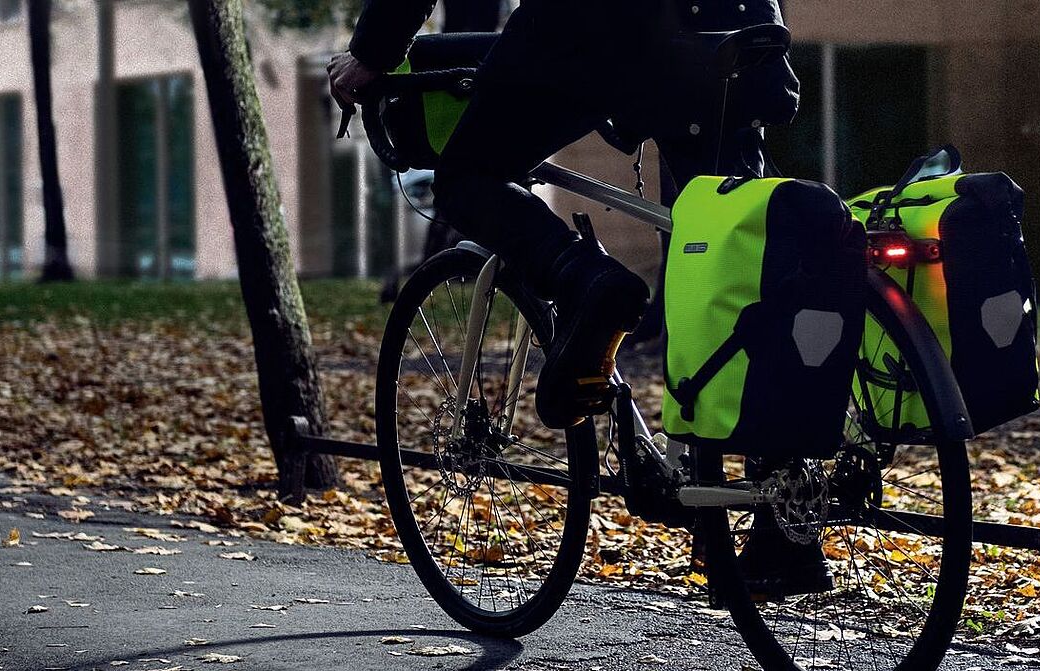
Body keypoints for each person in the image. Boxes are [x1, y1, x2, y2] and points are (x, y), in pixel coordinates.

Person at [330, 0, 828, 598]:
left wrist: (370, 54)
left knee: (466, 178)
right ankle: (784, 527)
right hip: (743, 33)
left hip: (605, 32)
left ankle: (584, 280)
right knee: (731, 261)